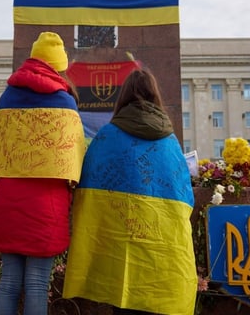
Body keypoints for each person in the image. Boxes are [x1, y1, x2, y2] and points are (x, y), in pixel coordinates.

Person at [62, 68, 197, 315]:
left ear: (123, 96)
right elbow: (185, 194)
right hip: (159, 245)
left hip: (116, 242)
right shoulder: (169, 140)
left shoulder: (107, 135)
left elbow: (88, 180)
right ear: (155, 95)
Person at [0, 31, 86, 315]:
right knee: (37, 283)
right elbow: (75, 157)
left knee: (8, 282)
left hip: (10, 198)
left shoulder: (8, 97)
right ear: (58, 65)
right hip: (47, 203)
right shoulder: (64, 101)